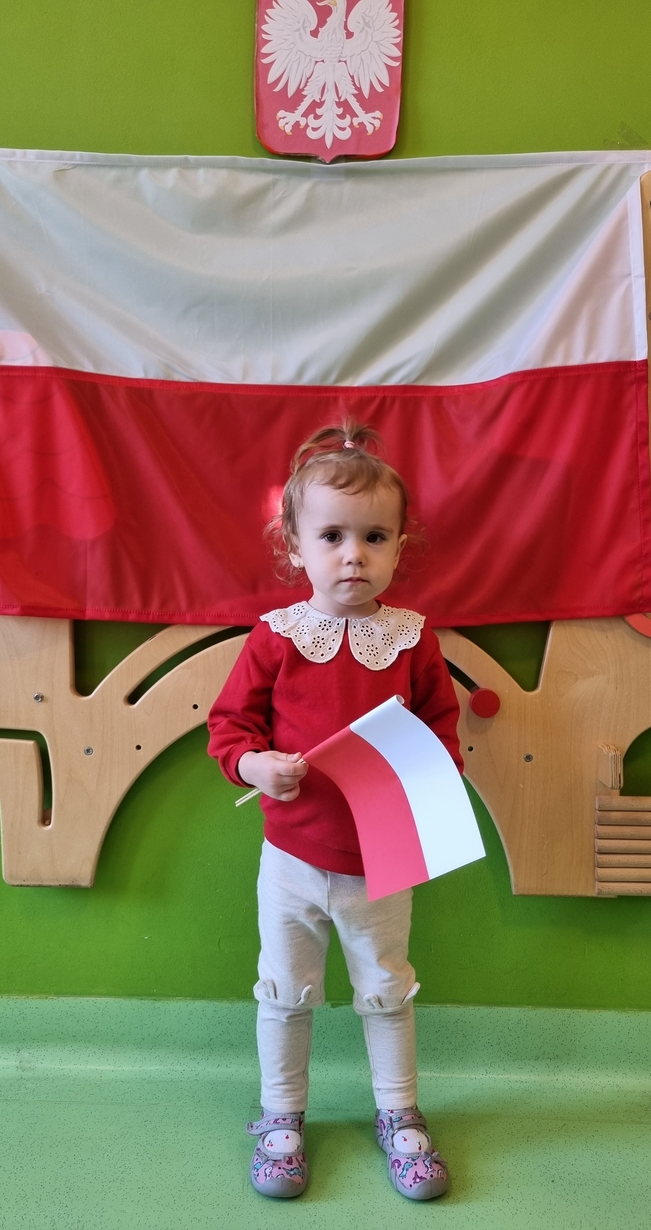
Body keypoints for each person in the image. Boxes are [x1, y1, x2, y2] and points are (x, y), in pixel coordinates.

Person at [207, 421, 463, 1202]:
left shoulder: (412, 640)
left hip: (381, 860)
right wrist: (257, 765)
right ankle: (281, 1119)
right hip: (291, 858)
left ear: (398, 546)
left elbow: (442, 736)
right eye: (332, 536)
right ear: (294, 545)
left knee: (387, 989)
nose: (353, 554)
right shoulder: (276, 637)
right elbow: (229, 728)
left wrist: (423, 779)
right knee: (284, 991)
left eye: (373, 537)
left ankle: (400, 1114)